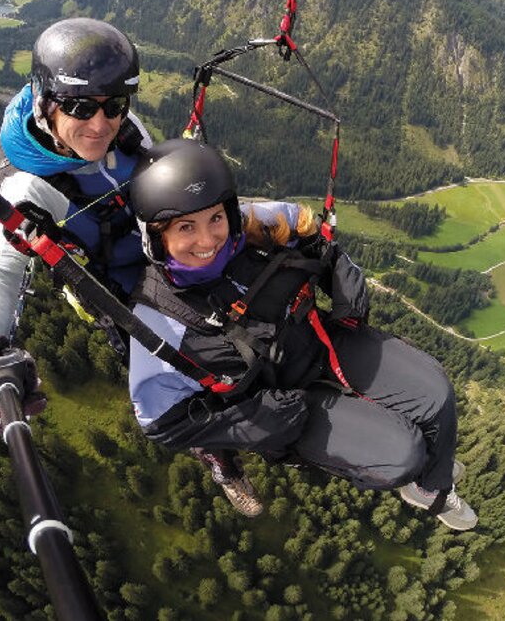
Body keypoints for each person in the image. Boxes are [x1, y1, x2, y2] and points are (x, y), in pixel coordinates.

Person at [0, 19, 263, 515]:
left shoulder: (125, 133)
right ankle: (220, 457)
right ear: (45, 101)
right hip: (120, 299)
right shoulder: (27, 189)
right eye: (80, 108)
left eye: (112, 106)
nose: (100, 124)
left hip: (174, 254)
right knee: (182, 383)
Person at [126, 140, 478, 530]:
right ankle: (422, 475)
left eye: (215, 219)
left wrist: (343, 276)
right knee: (403, 454)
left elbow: (317, 238)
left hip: (320, 342)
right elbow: (162, 423)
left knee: (436, 394)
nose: (208, 240)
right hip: (285, 405)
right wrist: (253, 421)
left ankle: (431, 485)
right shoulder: (160, 321)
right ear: (156, 237)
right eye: (185, 227)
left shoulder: (258, 227)